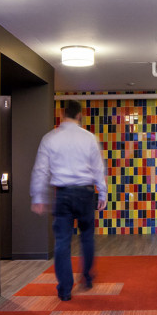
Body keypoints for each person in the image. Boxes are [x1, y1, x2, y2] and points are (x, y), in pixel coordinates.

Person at [30, 100, 107, 301]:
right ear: (79, 115)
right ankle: (87, 277)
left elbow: (41, 170)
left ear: (62, 114)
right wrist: (103, 194)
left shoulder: (50, 138)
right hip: (85, 193)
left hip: (62, 194)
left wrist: (38, 196)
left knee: (62, 242)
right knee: (87, 237)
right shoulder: (90, 138)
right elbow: (99, 168)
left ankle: (65, 290)